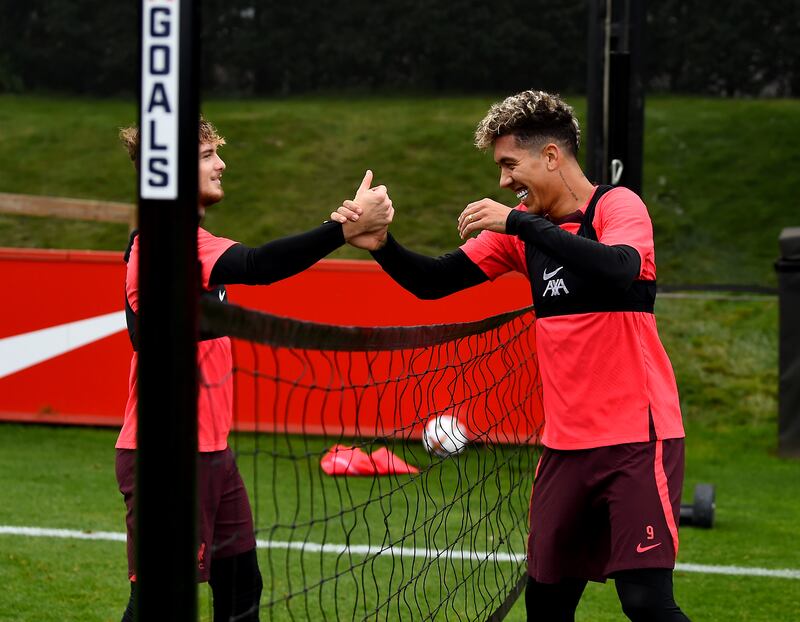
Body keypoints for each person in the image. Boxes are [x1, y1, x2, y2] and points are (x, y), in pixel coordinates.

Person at [332, 90, 690, 621]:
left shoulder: (614, 207)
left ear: (550, 156)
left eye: (509, 164)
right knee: (545, 606)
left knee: (644, 603)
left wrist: (521, 224)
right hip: (565, 449)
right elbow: (435, 281)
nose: (503, 182)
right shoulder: (524, 231)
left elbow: (620, 266)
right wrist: (382, 244)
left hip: (637, 441)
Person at [116, 118, 392, 622]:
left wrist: (343, 228)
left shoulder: (190, 241)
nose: (221, 164)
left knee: (242, 587)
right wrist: (343, 228)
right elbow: (260, 265)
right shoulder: (166, 240)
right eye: (205, 155)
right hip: (168, 459)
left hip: (211, 454)